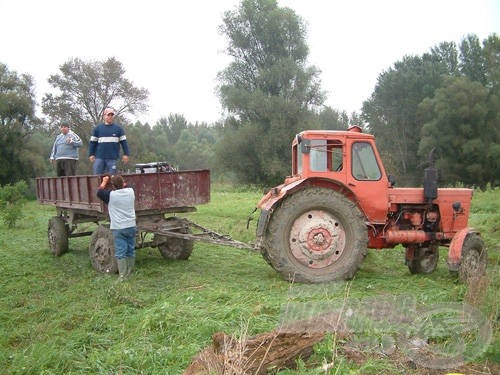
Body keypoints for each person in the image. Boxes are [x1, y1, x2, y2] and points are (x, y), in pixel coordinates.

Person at [97, 174, 137, 281]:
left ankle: (123, 276)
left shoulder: (111, 195)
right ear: (123, 184)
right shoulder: (130, 192)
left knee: (120, 252)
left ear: (113, 186)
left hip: (119, 228)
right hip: (131, 225)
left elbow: (99, 192)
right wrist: (119, 179)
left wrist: (105, 181)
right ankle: (130, 273)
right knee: (131, 250)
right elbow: (128, 185)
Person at [88, 107, 130, 174]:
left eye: (112, 115)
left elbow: (124, 143)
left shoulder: (119, 129)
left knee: (112, 178)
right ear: (104, 116)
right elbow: (92, 143)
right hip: (99, 158)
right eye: (108, 115)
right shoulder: (98, 129)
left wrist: (126, 154)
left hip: (113, 158)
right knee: (97, 177)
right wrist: (91, 154)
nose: (110, 117)